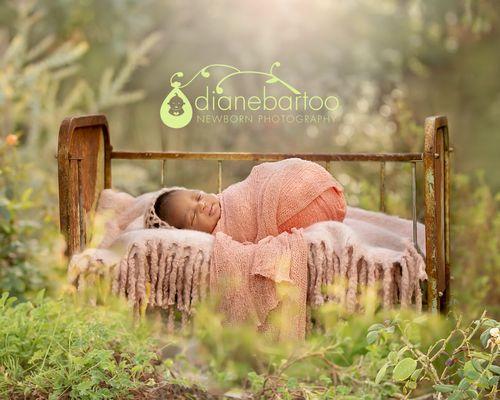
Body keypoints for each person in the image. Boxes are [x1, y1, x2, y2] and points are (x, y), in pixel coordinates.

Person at [144, 159, 346, 235]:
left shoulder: (229, 195)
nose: (203, 206)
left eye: (197, 197)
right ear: (191, 234)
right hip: (301, 209)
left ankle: (303, 184)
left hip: (309, 182)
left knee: (276, 175)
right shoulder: (221, 238)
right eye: (193, 217)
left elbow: (254, 185)